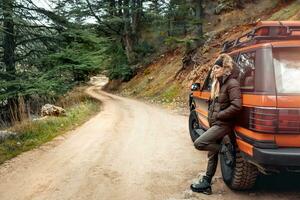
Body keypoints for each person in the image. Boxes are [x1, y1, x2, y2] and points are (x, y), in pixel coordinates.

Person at [190, 53, 242, 194]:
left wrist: (219, 115)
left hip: (223, 124)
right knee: (211, 154)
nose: (214, 70)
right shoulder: (219, 84)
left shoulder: (232, 83)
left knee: (199, 143)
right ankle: (207, 183)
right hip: (216, 123)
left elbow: (237, 106)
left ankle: (224, 150)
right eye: (213, 68)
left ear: (225, 68)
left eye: (217, 67)